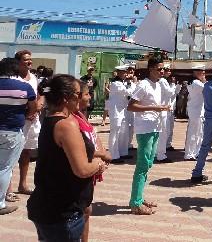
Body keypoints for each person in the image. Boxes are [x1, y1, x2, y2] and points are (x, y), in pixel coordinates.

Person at [27, 75, 108, 241]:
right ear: (65, 98)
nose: (81, 98)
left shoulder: (52, 119)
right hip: (62, 211)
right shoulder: (66, 125)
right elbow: (82, 169)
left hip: (47, 205)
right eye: (77, 94)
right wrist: (99, 164)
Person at [127, 57, 170, 215]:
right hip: (144, 128)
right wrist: (155, 108)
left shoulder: (158, 84)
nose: (163, 71)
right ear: (151, 69)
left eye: (163, 69)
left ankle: (139, 196)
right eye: (160, 69)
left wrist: (159, 109)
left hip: (154, 127)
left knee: (148, 163)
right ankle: (135, 202)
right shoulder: (143, 84)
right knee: (142, 165)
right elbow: (131, 106)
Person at [73, 81, 111, 242]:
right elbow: (80, 148)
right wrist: (100, 157)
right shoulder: (70, 120)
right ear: (77, 96)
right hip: (82, 168)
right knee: (83, 209)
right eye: (87, 94)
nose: (90, 97)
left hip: (91, 167)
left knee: (86, 209)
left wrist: (101, 154)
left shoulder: (81, 115)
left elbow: (93, 135)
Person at [0, 58, 37, 215]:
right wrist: (27, 116)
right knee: (5, 168)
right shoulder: (24, 87)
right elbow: (33, 107)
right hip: (12, 132)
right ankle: (0, 203)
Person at [14, 50, 39, 196]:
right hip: (18, 120)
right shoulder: (14, 78)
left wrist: (39, 104)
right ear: (18, 62)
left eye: (30, 59)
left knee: (26, 152)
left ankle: (22, 185)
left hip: (32, 121)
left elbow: (38, 95)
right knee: (11, 154)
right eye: (26, 59)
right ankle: (7, 189)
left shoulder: (34, 77)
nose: (30, 61)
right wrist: (27, 112)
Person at [107, 65, 133, 164]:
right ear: (118, 73)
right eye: (123, 72)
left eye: (126, 72)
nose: (125, 74)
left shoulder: (122, 83)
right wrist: (132, 83)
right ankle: (113, 155)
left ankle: (122, 152)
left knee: (123, 132)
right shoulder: (116, 83)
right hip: (116, 111)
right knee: (115, 132)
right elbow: (127, 92)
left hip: (122, 110)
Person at [155, 64, 177, 163]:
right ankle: (160, 155)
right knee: (163, 133)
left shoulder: (162, 80)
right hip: (163, 110)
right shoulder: (163, 81)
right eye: (166, 70)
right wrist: (174, 85)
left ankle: (159, 153)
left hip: (164, 109)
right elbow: (170, 93)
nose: (168, 72)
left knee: (164, 132)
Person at [184, 65, 206, 161]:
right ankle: (189, 154)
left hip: (197, 111)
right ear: (196, 72)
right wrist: (204, 80)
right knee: (193, 133)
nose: (204, 74)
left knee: (199, 133)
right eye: (202, 72)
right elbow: (207, 89)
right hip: (196, 111)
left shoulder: (195, 82)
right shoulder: (196, 82)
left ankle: (195, 152)